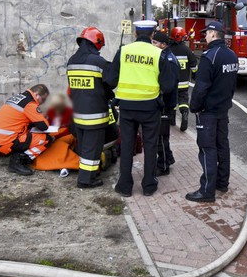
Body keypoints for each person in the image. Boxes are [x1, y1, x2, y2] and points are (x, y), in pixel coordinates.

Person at [108, 20, 178, 197]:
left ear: (135, 34)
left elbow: (110, 81)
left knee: (126, 147)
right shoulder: (159, 54)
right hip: (149, 108)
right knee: (150, 146)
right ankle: (149, 185)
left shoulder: (123, 51)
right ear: (153, 34)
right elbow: (169, 85)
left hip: (127, 108)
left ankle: (124, 186)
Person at [185, 21, 238, 203]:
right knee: (222, 146)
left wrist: (194, 107)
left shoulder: (209, 57)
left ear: (214, 34)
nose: (205, 36)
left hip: (208, 112)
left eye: (206, 33)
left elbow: (201, 87)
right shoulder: (232, 56)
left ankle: (207, 191)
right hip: (223, 110)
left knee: (208, 149)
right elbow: (232, 85)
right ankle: (222, 182)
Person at [66, 27, 115, 188]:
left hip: (78, 114)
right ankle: (86, 180)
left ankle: (88, 175)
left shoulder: (72, 61)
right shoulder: (97, 62)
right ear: (97, 43)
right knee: (92, 150)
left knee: (84, 148)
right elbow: (111, 82)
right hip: (95, 115)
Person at [0, 84, 53, 176]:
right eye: (43, 99)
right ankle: (18, 161)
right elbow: (44, 126)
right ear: (36, 95)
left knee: (28, 132)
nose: (42, 103)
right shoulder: (30, 104)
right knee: (47, 139)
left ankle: (17, 155)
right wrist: (43, 117)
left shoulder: (17, 97)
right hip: (7, 141)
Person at [152, 30, 180, 176]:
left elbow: (168, 86)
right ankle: (168, 158)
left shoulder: (167, 59)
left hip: (165, 104)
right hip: (165, 103)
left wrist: (160, 100)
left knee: (161, 136)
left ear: (163, 45)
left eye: (155, 43)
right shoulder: (165, 56)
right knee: (162, 135)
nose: (153, 45)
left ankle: (163, 166)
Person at [168, 26, 198, 131]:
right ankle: (184, 113)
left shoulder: (167, 49)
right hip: (184, 83)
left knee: (172, 102)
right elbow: (194, 65)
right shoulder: (187, 50)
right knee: (183, 100)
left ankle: (172, 120)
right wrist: (195, 75)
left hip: (171, 83)